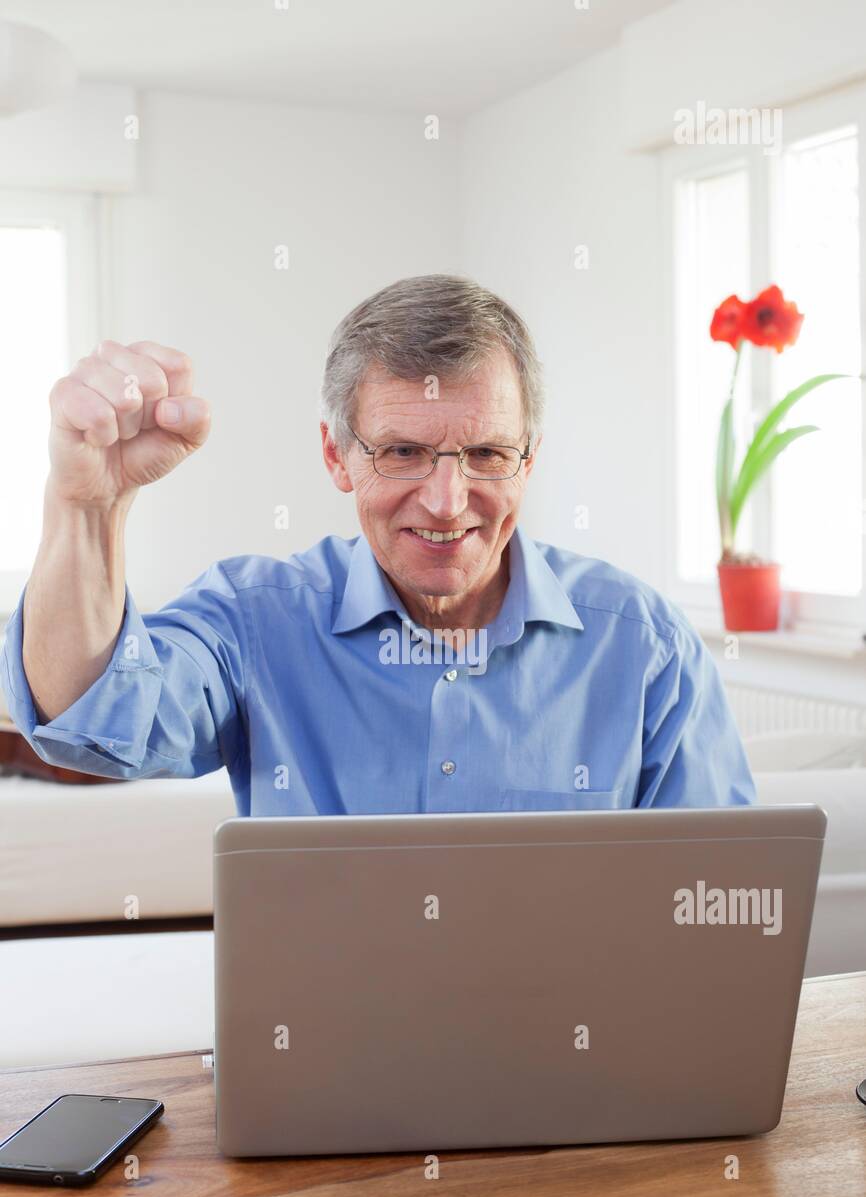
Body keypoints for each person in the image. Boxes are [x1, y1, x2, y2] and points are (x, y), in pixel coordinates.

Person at [1, 273, 756, 815]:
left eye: (488, 455)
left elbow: (718, 895)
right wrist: (86, 505)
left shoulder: (642, 643)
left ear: (530, 457)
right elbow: (91, 717)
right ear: (337, 456)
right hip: (319, 1039)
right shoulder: (255, 618)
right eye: (401, 453)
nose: (446, 501)